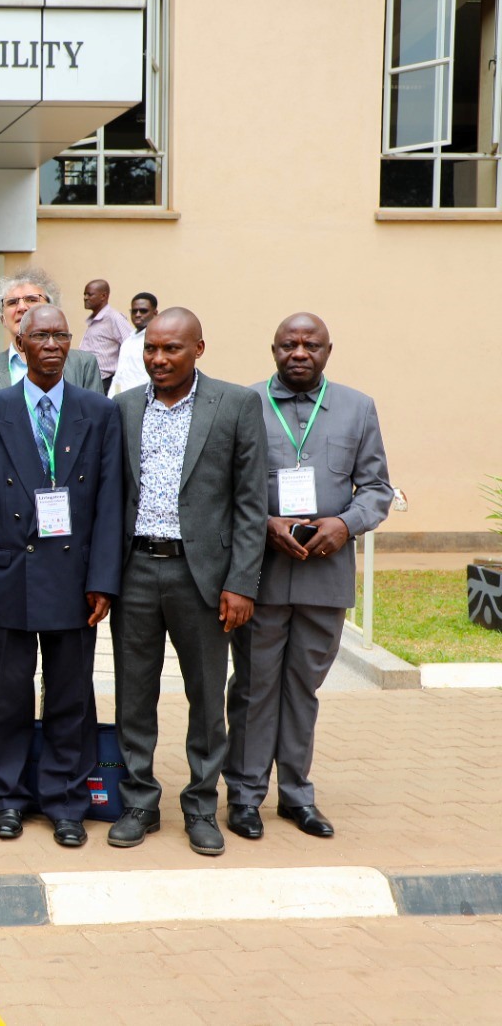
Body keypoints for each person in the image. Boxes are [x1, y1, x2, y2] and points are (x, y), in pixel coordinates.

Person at [0, 304, 124, 847]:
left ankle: (65, 801)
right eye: (40, 335)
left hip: (75, 579)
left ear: (72, 344)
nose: (51, 344)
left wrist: (103, 579)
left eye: (60, 335)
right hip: (8, 571)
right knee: (7, 692)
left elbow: (109, 504)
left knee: (70, 697)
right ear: (21, 342)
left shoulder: (98, 413)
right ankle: (6, 797)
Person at [224, 313, 391, 840]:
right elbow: (224, 487)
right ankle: (246, 796)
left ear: (328, 350)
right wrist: (263, 523)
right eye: (289, 344)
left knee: (303, 687)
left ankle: (296, 795)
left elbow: (377, 489)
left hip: (325, 573)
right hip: (262, 574)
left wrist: (345, 524)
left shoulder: (358, 408)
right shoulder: (243, 403)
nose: (300, 352)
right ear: (273, 349)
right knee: (254, 685)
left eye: (310, 344)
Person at [108, 307, 267, 857]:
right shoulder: (124, 408)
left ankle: (201, 806)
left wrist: (242, 583)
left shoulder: (236, 405)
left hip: (204, 577)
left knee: (205, 696)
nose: (159, 359)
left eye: (171, 349)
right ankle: (138, 802)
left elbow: (251, 504)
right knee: (133, 695)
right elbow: (110, 499)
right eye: (151, 348)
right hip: (134, 572)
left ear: (199, 349)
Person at [0, 269, 102, 405]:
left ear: (52, 310)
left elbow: (96, 422)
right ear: (3, 319)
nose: (22, 308)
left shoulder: (83, 366)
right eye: (12, 302)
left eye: (31, 300)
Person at [77, 279, 134, 394]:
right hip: (88, 379)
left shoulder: (114, 318)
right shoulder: (95, 320)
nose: (85, 298)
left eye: (90, 294)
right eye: (84, 294)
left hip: (104, 382)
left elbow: (131, 345)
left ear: (103, 296)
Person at [109, 292, 158, 400]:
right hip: (121, 400)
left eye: (143, 311)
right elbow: (119, 375)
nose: (138, 314)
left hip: (142, 400)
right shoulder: (128, 341)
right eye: (134, 311)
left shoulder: (155, 341)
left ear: (155, 313)